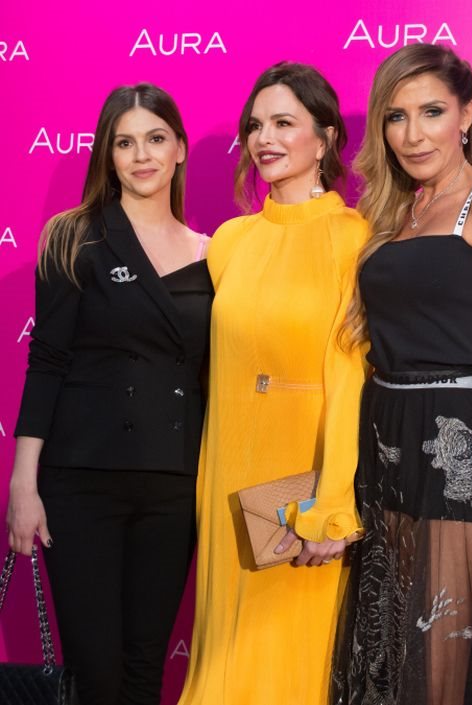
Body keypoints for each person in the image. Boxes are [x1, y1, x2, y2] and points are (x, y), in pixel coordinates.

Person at [330, 43, 472, 705]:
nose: (412, 134)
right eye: (396, 116)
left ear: (466, 114)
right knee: (382, 659)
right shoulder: (393, 215)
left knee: (437, 666)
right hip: (382, 444)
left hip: (454, 449)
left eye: (432, 112)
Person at [7, 83, 212, 705]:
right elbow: (47, 361)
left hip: (173, 484)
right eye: (125, 143)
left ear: (179, 148)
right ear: (108, 154)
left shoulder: (215, 254)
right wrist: (23, 484)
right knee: (95, 674)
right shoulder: (74, 237)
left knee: (146, 668)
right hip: (82, 483)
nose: (141, 155)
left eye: (155, 139)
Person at [176, 62, 369, 705]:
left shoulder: (355, 238)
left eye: (284, 122)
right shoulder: (230, 242)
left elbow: (351, 378)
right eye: (256, 125)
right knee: (224, 660)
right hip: (227, 480)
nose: (265, 138)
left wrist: (332, 509)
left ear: (326, 136)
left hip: (302, 493)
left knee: (292, 666)